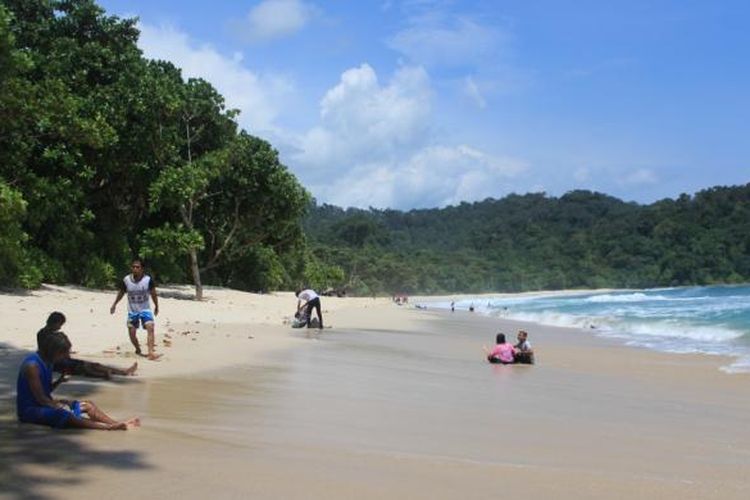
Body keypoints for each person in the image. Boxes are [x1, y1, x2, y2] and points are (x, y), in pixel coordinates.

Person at [17, 330, 140, 430]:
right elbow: (41, 399)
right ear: (54, 351)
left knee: (88, 405)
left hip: (44, 404)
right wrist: (60, 406)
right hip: (30, 411)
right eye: (63, 353)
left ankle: (117, 423)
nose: (66, 357)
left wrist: (60, 380)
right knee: (64, 414)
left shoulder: (48, 362)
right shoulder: (32, 366)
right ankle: (107, 427)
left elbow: (46, 391)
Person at [37, 312, 137, 381]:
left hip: (59, 360)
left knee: (94, 364)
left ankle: (122, 372)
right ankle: (103, 375)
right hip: (55, 363)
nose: (60, 327)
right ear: (55, 323)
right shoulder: (46, 334)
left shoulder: (49, 333)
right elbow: (48, 352)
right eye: (60, 324)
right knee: (84, 367)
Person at [110, 258, 161, 360]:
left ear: (142, 269)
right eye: (133, 267)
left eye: (137, 267)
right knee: (132, 333)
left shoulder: (148, 280)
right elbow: (121, 293)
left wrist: (156, 306)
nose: (135, 269)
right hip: (132, 311)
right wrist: (114, 304)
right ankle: (138, 348)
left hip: (145, 309)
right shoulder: (126, 280)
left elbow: (153, 294)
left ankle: (151, 352)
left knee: (150, 327)